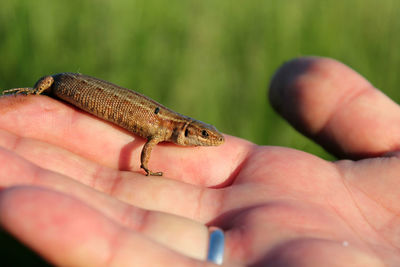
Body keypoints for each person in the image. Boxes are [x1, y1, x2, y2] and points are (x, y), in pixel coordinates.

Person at [0, 57, 397, 266]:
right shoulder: (159, 131)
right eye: (204, 136)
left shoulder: (164, 129)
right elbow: (144, 150)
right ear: (187, 132)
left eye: (206, 136)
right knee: (47, 87)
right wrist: (145, 170)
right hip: (67, 83)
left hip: (67, 82)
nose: (209, 141)